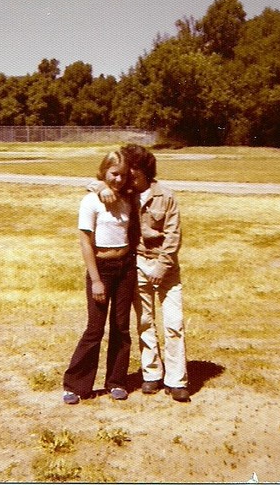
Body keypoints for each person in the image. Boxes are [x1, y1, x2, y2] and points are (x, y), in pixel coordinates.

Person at [96, 144, 190, 402]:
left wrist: (162, 266)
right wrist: (101, 188)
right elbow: (95, 186)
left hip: (166, 268)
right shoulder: (124, 194)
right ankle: (152, 374)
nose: (126, 175)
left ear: (143, 170)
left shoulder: (166, 196)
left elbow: (173, 236)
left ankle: (177, 379)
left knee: (173, 324)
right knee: (144, 322)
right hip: (136, 266)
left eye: (131, 170)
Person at [62, 150, 137, 405]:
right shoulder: (91, 201)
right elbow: (85, 242)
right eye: (113, 174)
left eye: (123, 175)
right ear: (104, 171)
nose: (118, 180)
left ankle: (116, 381)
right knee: (95, 329)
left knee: (121, 327)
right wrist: (95, 280)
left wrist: (105, 185)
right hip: (101, 268)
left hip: (125, 267)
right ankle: (75, 385)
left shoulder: (129, 197)